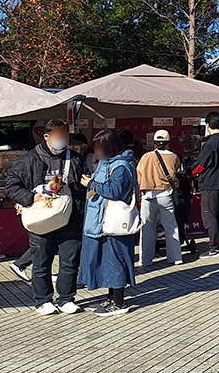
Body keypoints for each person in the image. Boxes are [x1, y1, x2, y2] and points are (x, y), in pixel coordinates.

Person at [3, 118, 86, 315]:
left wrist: (86, 184)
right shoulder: (29, 159)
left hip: (69, 216)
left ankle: (66, 298)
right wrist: (30, 198)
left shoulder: (75, 158)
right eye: (58, 136)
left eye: (65, 136)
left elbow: (83, 181)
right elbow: (11, 185)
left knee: (70, 260)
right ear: (46, 137)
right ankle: (43, 300)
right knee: (41, 260)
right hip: (41, 216)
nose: (62, 140)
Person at [79, 129, 138, 316]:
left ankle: (119, 302)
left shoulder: (121, 166)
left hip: (114, 222)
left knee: (115, 261)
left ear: (108, 148)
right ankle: (111, 298)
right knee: (107, 261)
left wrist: (91, 184)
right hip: (102, 221)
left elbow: (114, 191)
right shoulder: (109, 163)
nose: (96, 151)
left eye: (98, 148)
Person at [135, 130, 183, 267]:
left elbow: (138, 175)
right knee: (171, 227)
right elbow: (177, 170)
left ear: (154, 142)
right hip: (166, 195)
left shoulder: (146, 157)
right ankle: (175, 257)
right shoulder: (174, 157)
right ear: (168, 142)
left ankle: (145, 259)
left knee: (147, 228)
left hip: (148, 195)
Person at [194, 112, 219, 257]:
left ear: (208, 125)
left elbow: (201, 165)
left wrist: (188, 171)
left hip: (209, 183)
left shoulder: (211, 143)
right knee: (217, 216)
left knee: (209, 217)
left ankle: (214, 247)